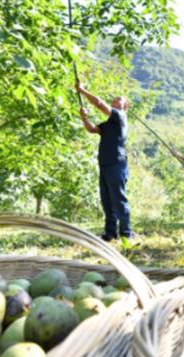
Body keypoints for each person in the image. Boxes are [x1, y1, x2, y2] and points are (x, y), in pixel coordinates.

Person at [75, 80, 133, 242]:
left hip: (117, 163)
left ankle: (126, 233)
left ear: (125, 106)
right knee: (107, 200)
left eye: (119, 100)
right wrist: (84, 118)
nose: (114, 101)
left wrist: (83, 90)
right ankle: (110, 233)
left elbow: (99, 104)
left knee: (118, 199)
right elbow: (92, 129)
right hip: (105, 164)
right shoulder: (109, 123)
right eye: (113, 100)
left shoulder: (120, 117)